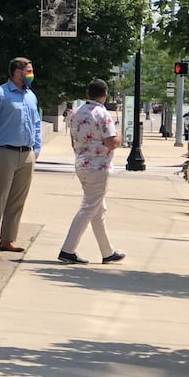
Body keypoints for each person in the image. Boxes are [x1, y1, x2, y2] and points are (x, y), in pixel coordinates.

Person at [58, 77, 126, 265]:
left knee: (98, 209)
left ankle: (107, 252)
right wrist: (119, 136)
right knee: (88, 208)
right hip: (99, 167)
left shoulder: (76, 113)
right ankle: (67, 249)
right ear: (104, 95)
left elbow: (73, 141)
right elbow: (111, 142)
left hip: (81, 164)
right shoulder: (102, 114)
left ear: (88, 93)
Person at [0, 57, 40, 252]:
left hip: (26, 153)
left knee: (17, 199)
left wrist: (36, 149)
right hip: (4, 152)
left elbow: (36, 123)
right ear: (17, 72)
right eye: (27, 71)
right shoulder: (0, 94)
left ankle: (8, 240)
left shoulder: (31, 96)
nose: (30, 75)